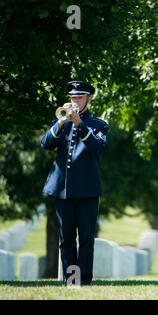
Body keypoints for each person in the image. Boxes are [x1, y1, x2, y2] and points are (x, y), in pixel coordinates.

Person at [41, 81, 108, 285]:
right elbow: (45, 143)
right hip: (63, 190)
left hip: (87, 190)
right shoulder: (62, 122)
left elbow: (98, 148)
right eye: (72, 97)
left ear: (88, 99)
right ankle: (71, 281)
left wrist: (80, 124)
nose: (75, 101)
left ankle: (84, 281)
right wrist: (61, 123)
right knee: (66, 239)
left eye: (79, 97)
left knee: (86, 239)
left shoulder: (99, 124)